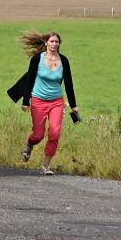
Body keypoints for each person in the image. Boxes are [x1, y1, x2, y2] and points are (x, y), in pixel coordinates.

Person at [17, 31, 79, 175]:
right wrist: (26, 101)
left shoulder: (64, 60)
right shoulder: (37, 59)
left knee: (55, 133)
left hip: (56, 102)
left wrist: (73, 104)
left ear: (59, 44)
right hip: (38, 101)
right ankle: (29, 145)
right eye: (51, 41)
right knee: (38, 135)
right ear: (46, 43)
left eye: (56, 42)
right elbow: (29, 80)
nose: (54, 44)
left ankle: (46, 166)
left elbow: (69, 83)